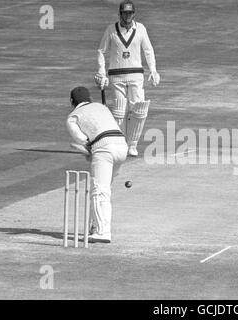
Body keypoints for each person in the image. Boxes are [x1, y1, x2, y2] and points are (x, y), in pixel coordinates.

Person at [94, 0, 160, 157]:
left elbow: (148, 50)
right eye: (124, 13)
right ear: (120, 14)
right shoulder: (111, 29)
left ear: (134, 14)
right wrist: (101, 72)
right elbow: (101, 51)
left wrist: (153, 70)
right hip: (116, 75)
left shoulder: (141, 29)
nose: (127, 16)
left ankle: (133, 144)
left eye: (130, 13)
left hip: (136, 74)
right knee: (119, 111)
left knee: (138, 109)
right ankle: (121, 143)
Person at [66, 86, 128, 243]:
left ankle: (102, 232)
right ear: (89, 98)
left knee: (100, 191)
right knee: (105, 189)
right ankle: (95, 227)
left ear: (72, 101)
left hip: (104, 149)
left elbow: (83, 141)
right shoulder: (102, 107)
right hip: (122, 146)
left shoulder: (73, 117)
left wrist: (91, 151)